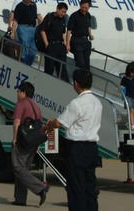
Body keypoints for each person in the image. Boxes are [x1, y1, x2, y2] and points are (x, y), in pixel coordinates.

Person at [42, 70, 102, 211]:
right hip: (92, 148)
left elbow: (59, 123)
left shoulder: (77, 103)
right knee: (90, 188)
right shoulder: (97, 102)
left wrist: (50, 123)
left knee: (76, 188)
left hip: (77, 148)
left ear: (75, 83)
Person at [11, 82, 48, 207]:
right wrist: (38, 143)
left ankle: (40, 188)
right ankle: (20, 199)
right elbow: (40, 126)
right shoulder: (36, 106)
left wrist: (15, 137)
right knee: (24, 170)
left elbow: (16, 121)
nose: (17, 94)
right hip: (33, 142)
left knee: (18, 168)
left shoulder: (21, 104)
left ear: (23, 92)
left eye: (18, 91)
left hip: (23, 142)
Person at [41, 2, 70, 82]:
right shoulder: (49, 17)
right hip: (51, 45)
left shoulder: (63, 19)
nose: (63, 14)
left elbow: (63, 32)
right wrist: (47, 44)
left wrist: (65, 43)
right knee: (49, 68)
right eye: (62, 12)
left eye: (65, 12)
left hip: (60, 46)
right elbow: (43, 31)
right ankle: (47, 83)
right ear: (57, 9)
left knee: (62, 68)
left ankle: (65, 84)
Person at [11, 0, 39, 65]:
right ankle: (24, 65)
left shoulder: (34, 5)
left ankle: (28, 65)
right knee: (25, 50)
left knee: (33, 51)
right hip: (23, 28)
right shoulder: (20, 6)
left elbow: (36, 18)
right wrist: (13, 32)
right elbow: (15, 20)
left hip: (33, 29)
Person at [66, 0, 94, 70]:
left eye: (86, 8)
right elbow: (69, 30)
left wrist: (90, 34)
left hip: (85, 41)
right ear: (80, 6)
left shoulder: (88, 15)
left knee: (86, 64)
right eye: (82, 7)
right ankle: (78, 79)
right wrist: (67, 44)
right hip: (77, 41)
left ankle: (84, 79)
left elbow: (88, 26)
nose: (84, 9)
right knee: (80, 63)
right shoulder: (74, 16)